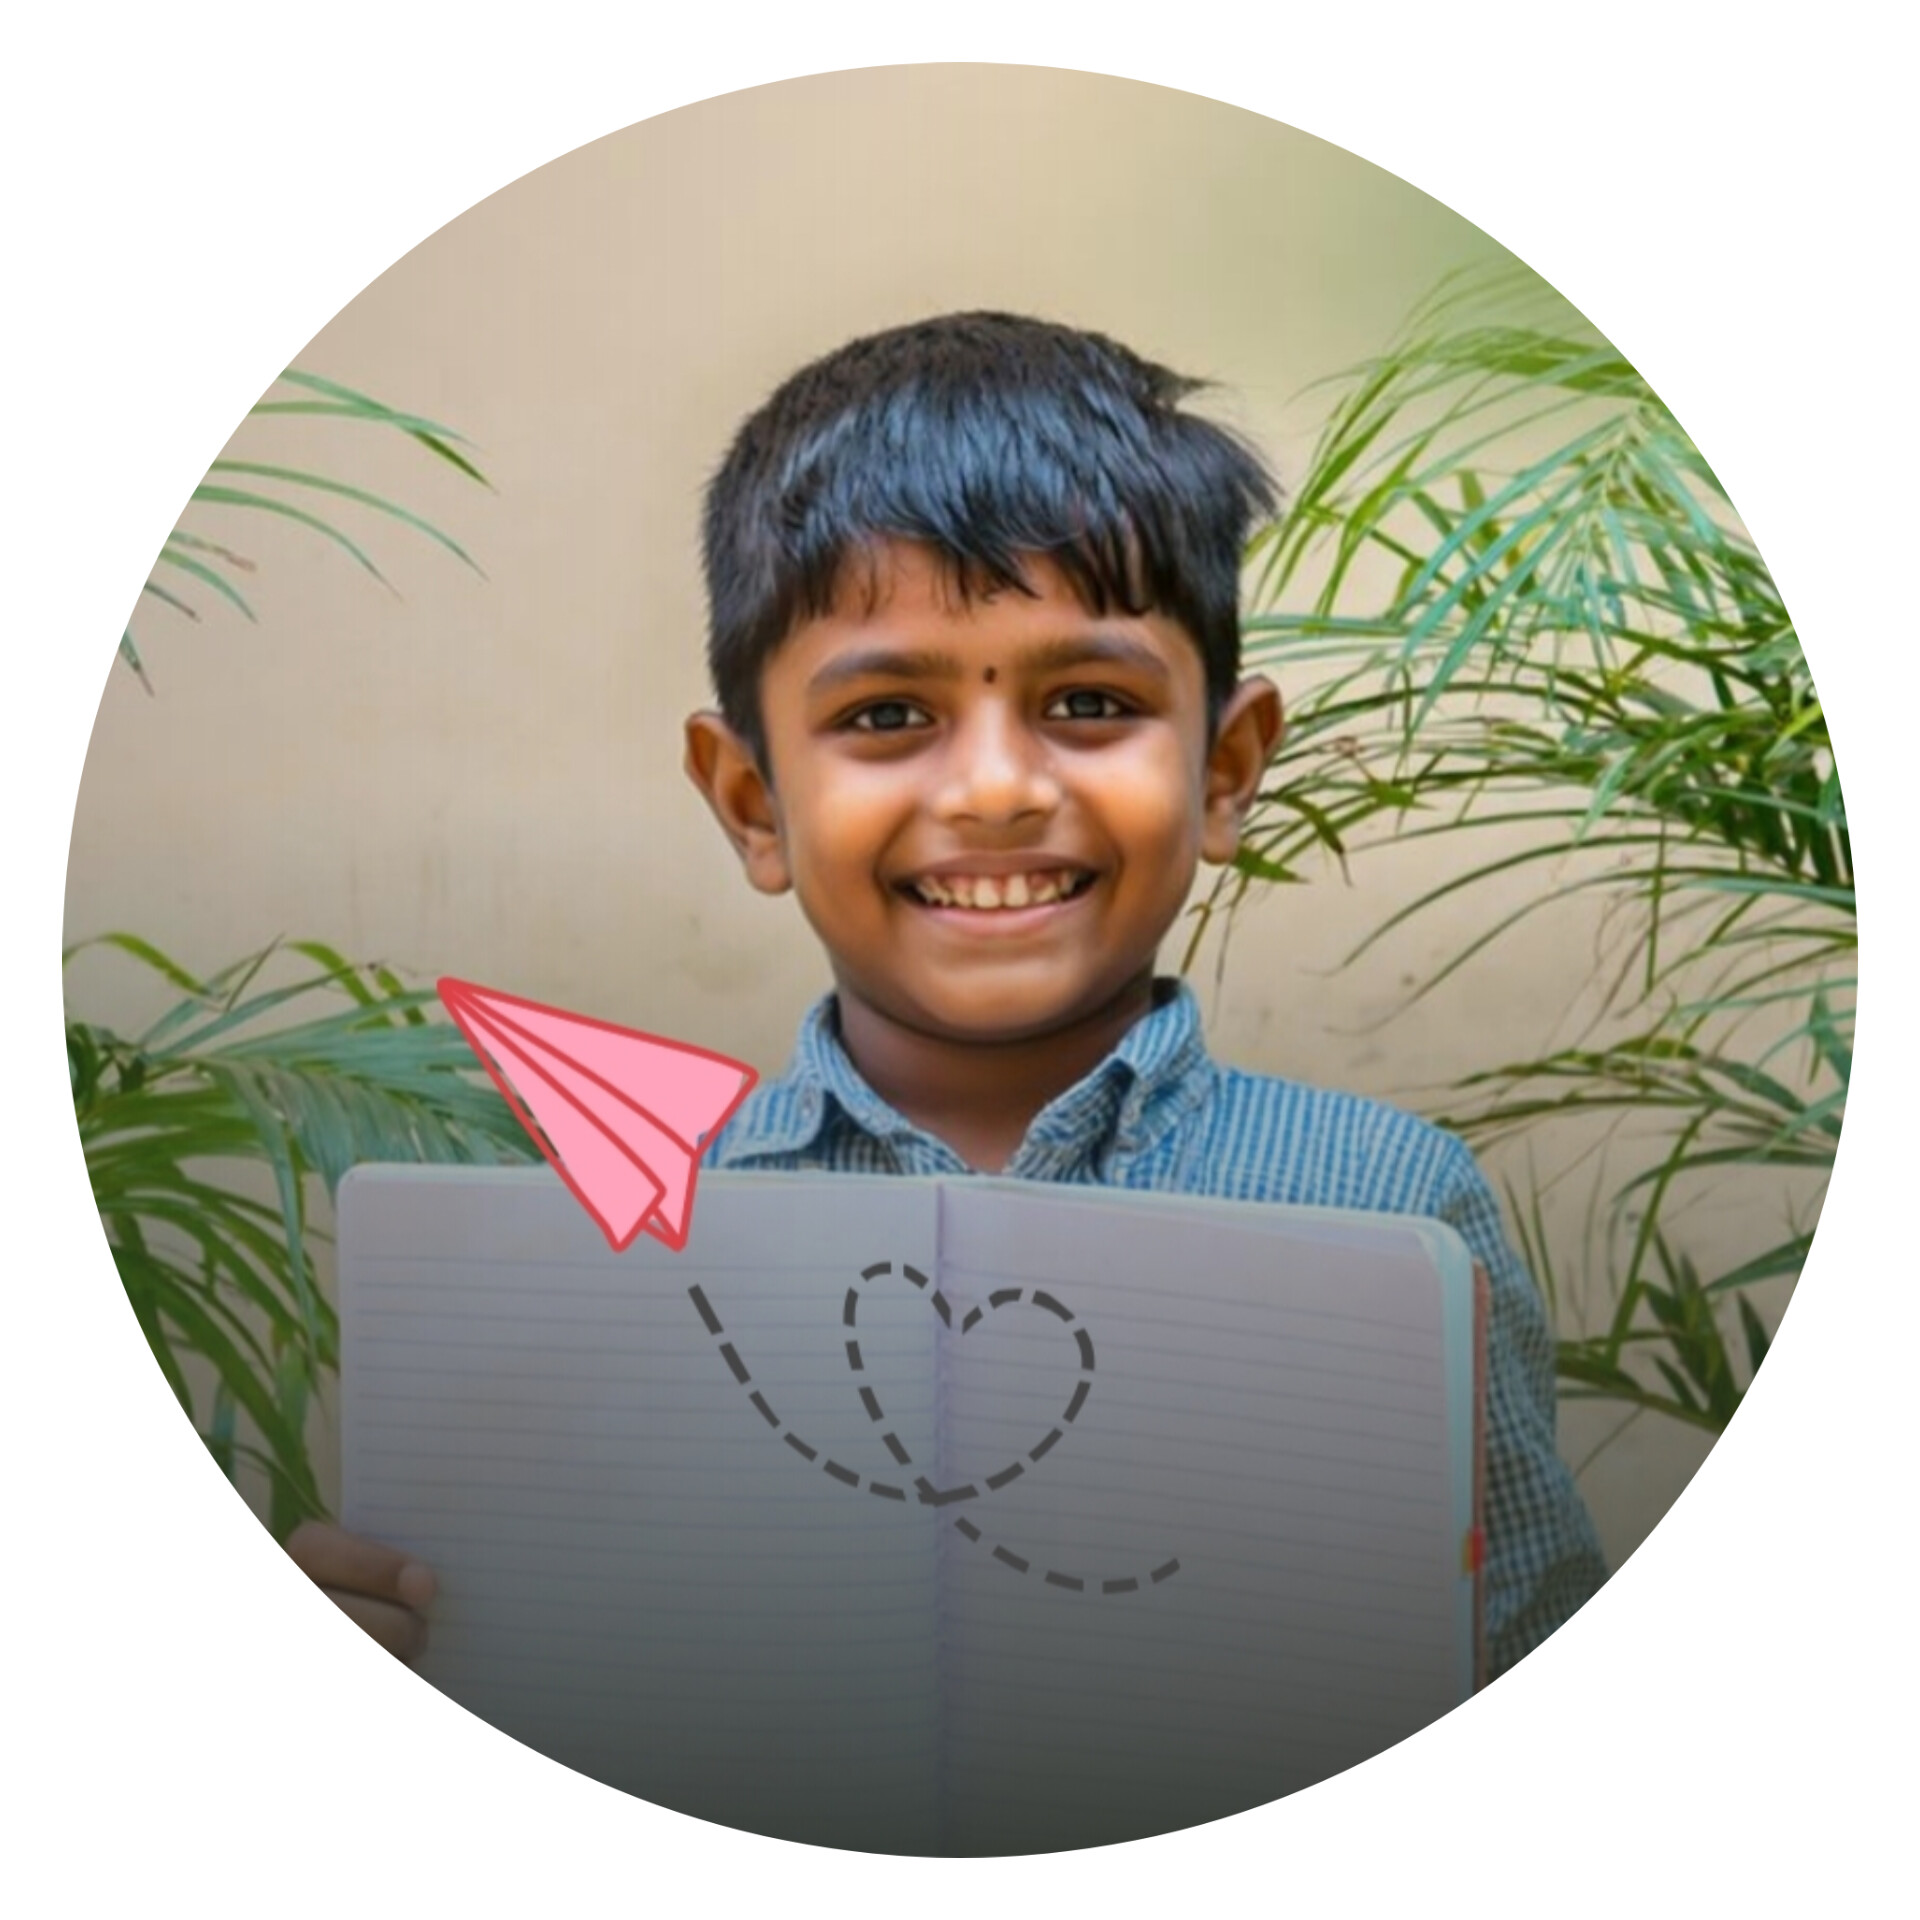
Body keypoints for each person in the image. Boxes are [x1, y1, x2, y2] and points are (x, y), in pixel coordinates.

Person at [293, 310, 1607, 1679]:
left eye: (1089, 703)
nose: (993, 789)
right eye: (886, 717)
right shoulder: (595, 1251)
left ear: (1225, 772)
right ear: (752, 802)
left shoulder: (1394, 1207)